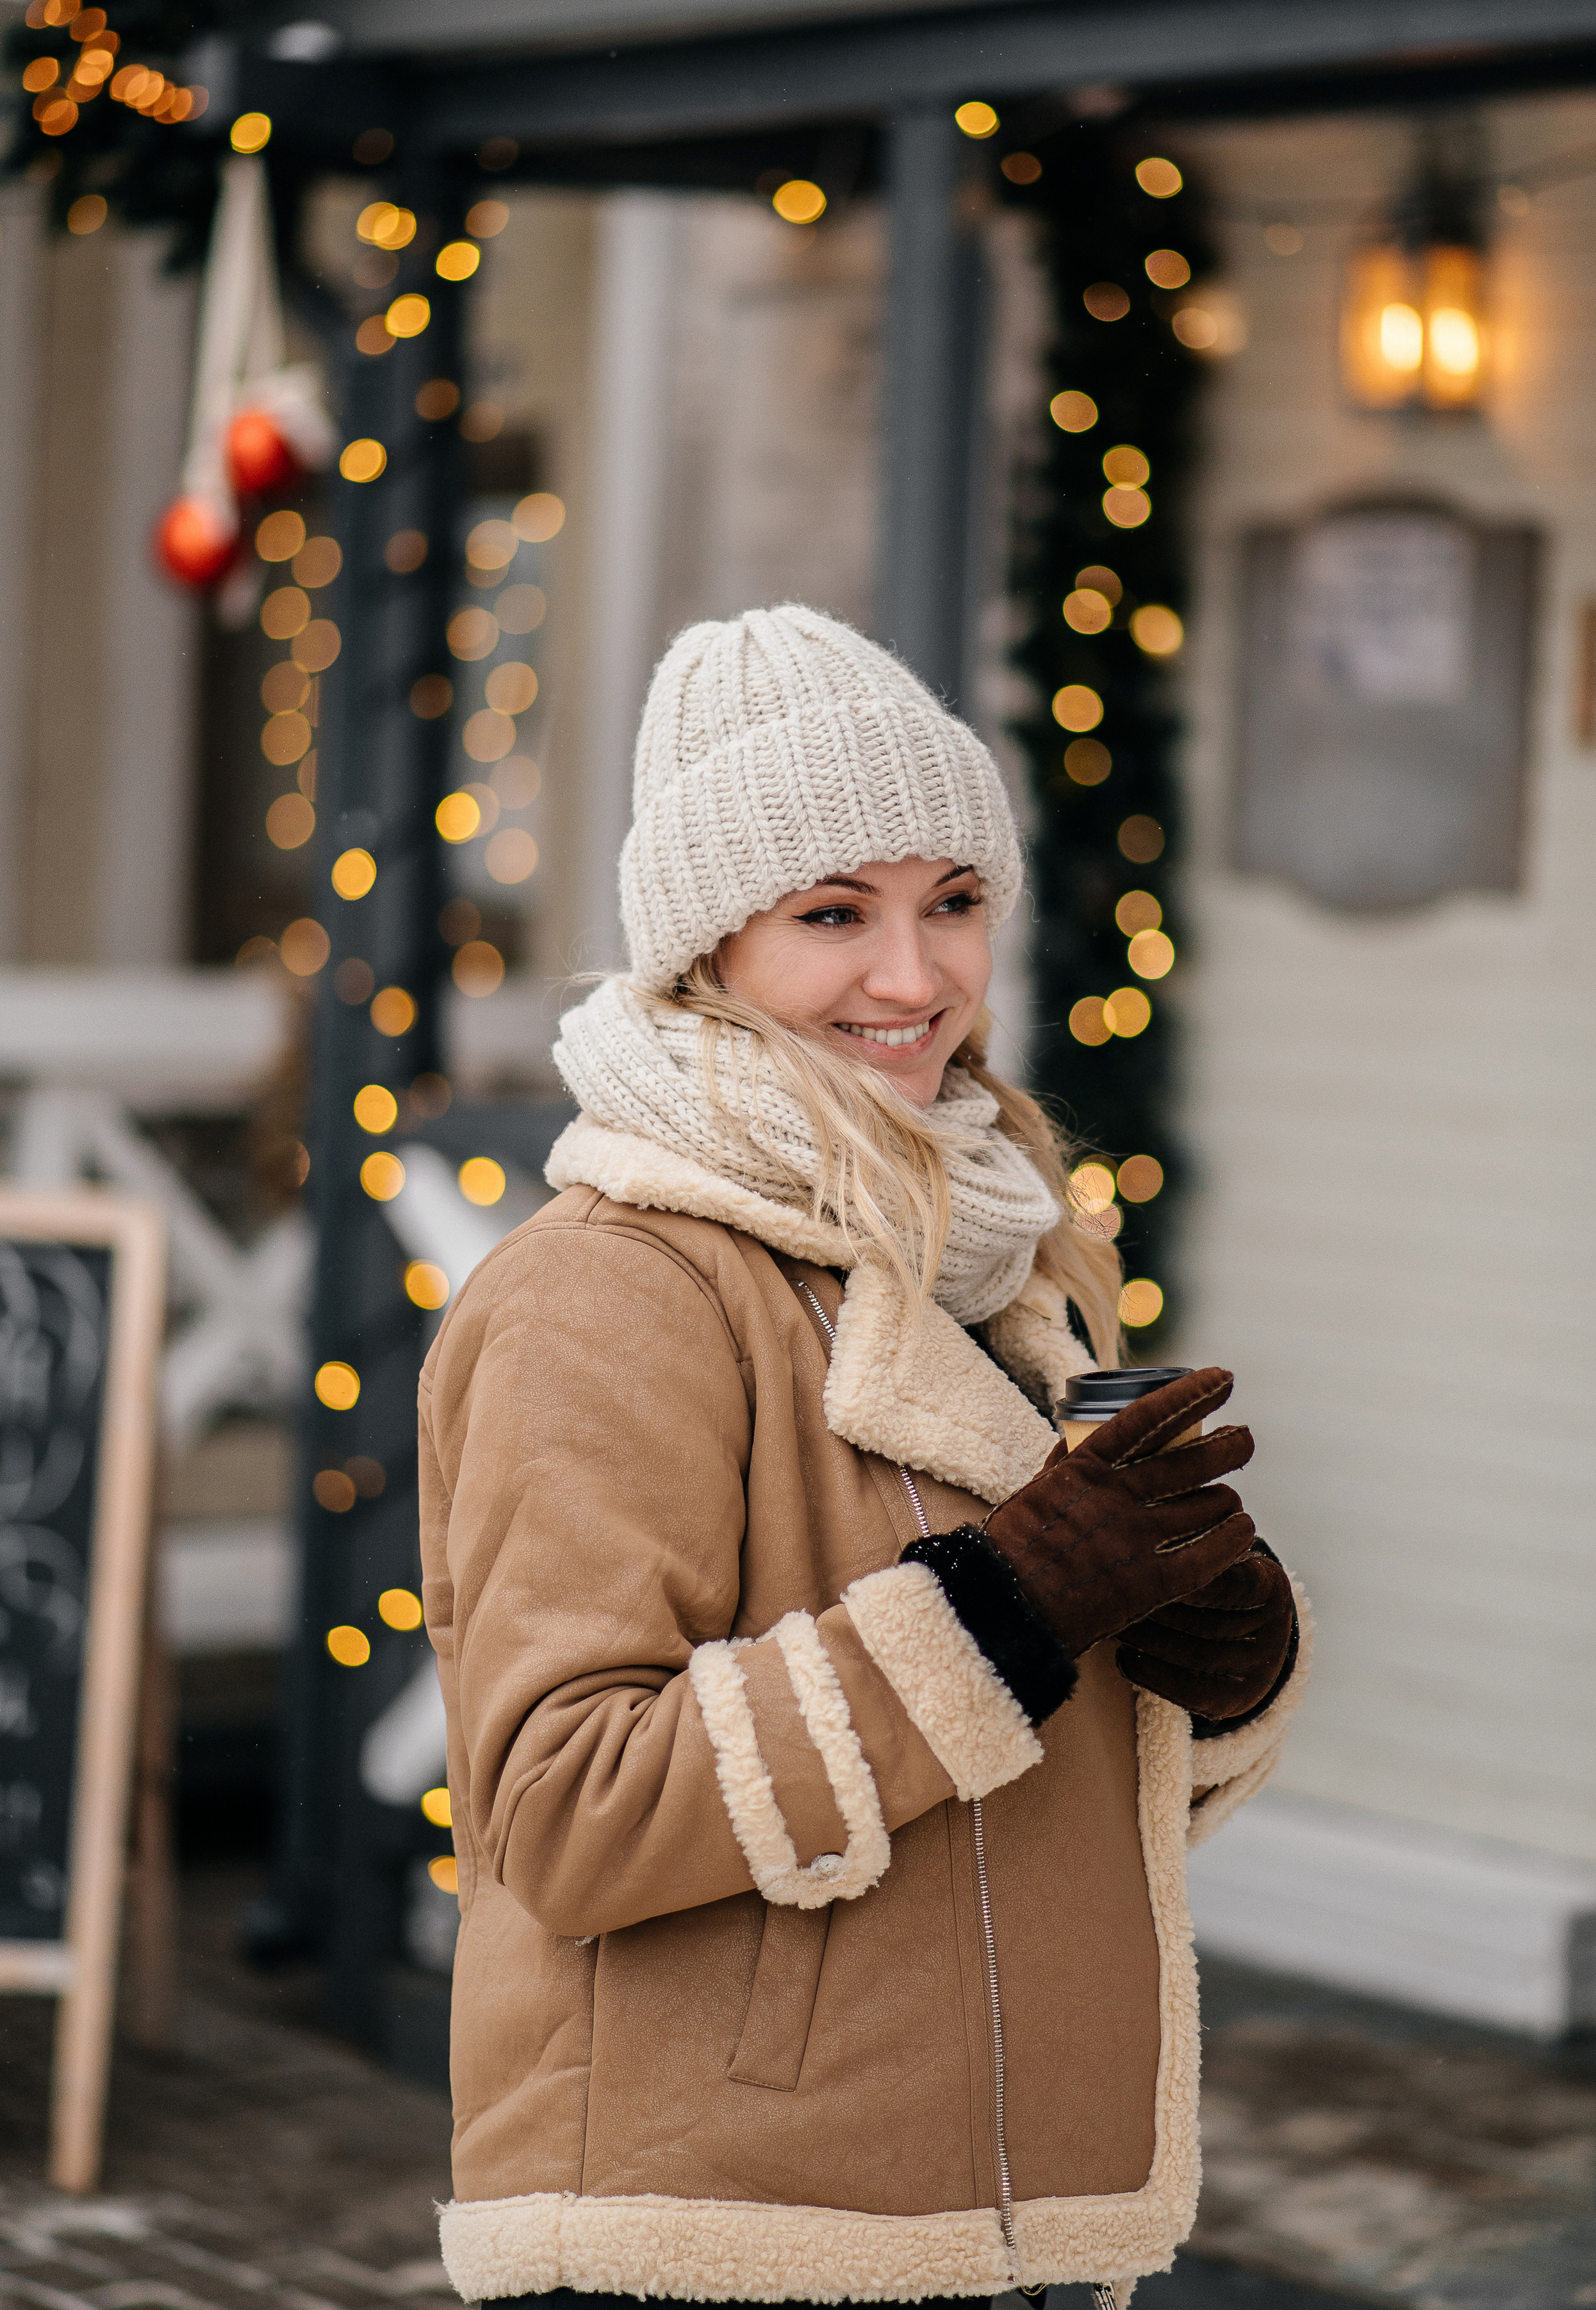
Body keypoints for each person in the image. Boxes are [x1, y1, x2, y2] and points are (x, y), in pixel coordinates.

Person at [419, 606, 1310, 2310]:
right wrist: (1008, 1603)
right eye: (835, 914)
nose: (916, 980)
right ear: (706, 950)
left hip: (991, 2216)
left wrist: (1208, 1664)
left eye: (952, 903)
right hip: (715, 2238)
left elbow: (1014, 1769)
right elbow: (566, 1810)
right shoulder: (608, 1287)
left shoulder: (995, 1247)